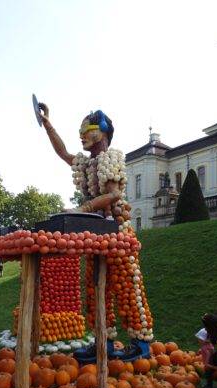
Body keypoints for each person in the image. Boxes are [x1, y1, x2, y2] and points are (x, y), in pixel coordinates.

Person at [39, 103, 153, 362]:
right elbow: (63, 153)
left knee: (126, 284)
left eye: (86, 129)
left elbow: (113, 194)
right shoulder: (86, 163)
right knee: (94, 288)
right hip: (94, 233)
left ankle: (141, 342)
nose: (81, 134)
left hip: (117, 231)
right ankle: (105, 340)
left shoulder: (109, 159)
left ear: (102, 132)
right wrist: (48, 124)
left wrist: (84, 207)